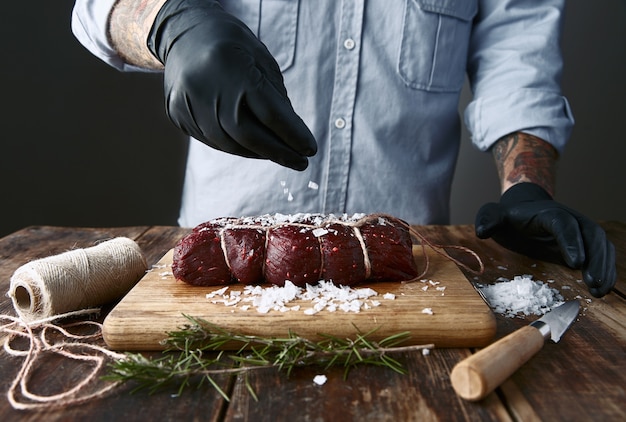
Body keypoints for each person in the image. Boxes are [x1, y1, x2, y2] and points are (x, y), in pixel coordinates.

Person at [71, 0, 616, 297]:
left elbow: (516, 54)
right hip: (224, 262)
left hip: (409, 271)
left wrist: (526, 187)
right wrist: (172, 24)